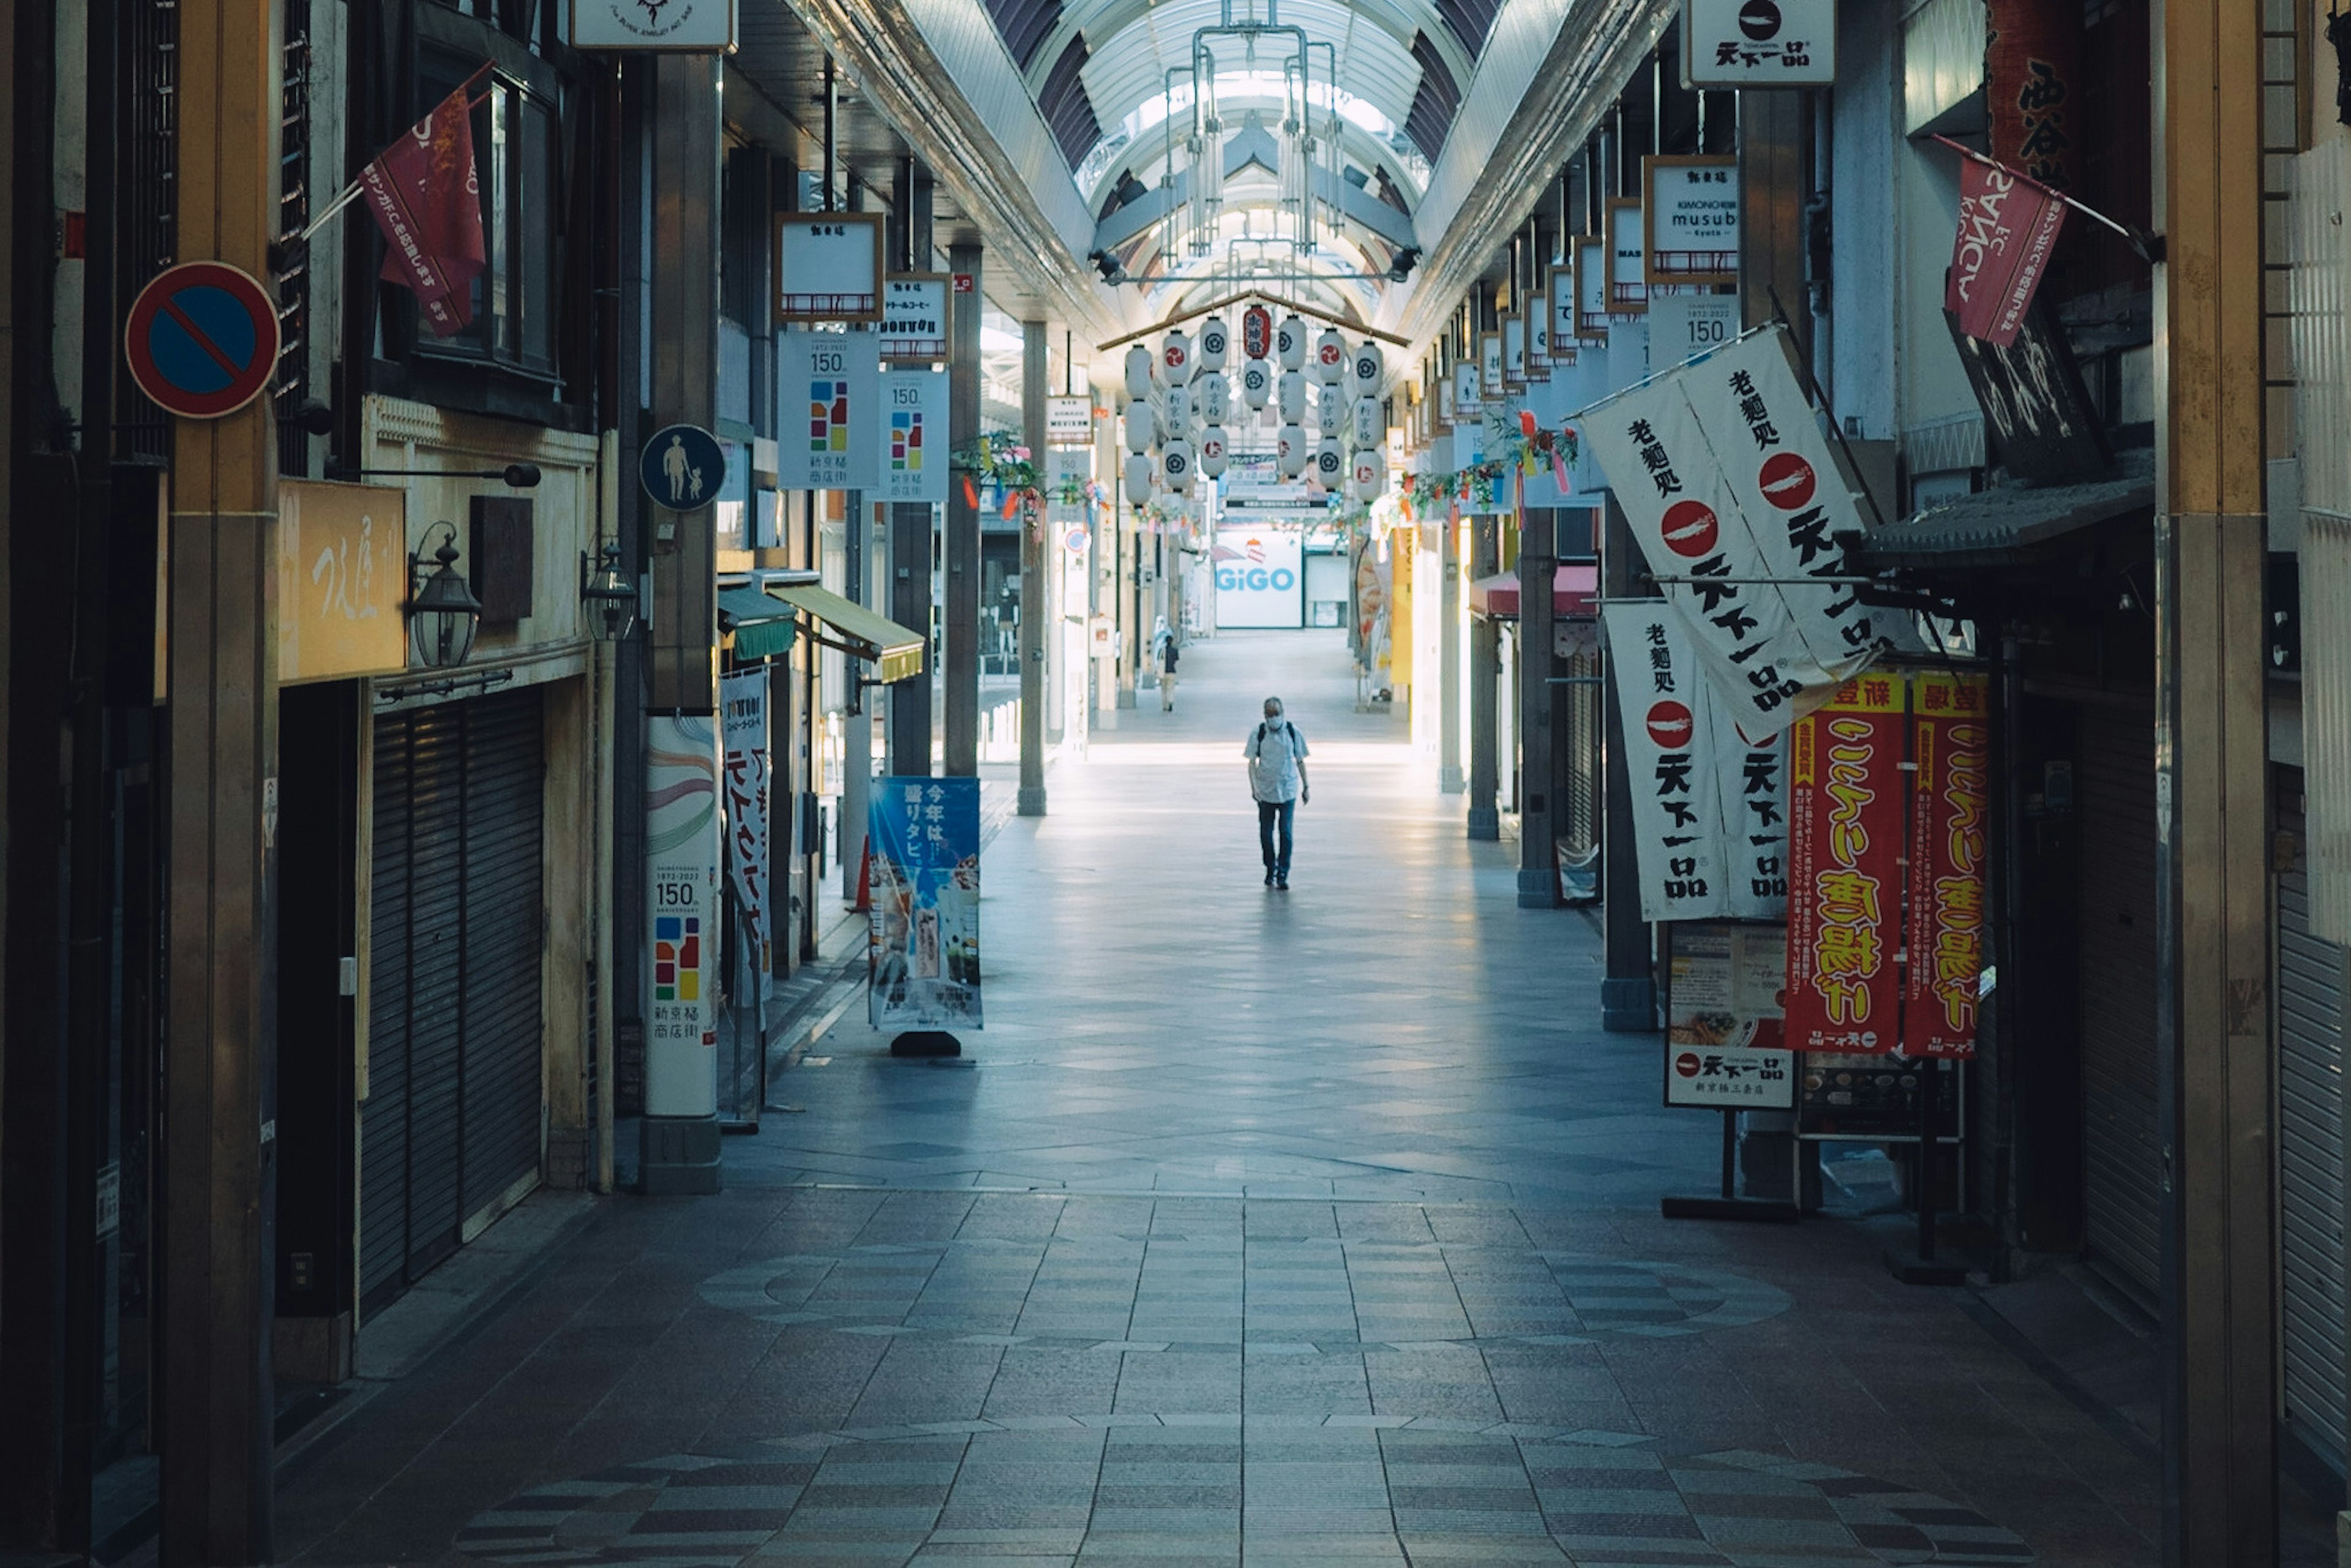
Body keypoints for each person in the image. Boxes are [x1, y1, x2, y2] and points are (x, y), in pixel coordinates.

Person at [1243, 696, 1310, 888]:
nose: (1273, 718)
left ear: (1283, 713)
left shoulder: (1292, 732)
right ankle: (1270, 867)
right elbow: (1251, 762)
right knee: (1266, 833)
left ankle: (1283, 873)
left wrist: (1306, 786)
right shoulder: (1259, 733)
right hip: (1266, 792)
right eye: (1270, 714)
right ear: (1265, 715)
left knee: (1286, 833)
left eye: (1276, 713)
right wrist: (1254, 787)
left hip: (1288, 790)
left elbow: (1300, 760)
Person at [1155, 620, 1180, 712]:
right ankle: (1171, 702)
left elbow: (1158, 661)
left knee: (1164, 690)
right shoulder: (1175, 650)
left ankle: (1164, 705)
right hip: (1172, 672)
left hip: (1163, 672)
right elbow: (1176, 659)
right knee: (1171, 689)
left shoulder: (1162, 651)